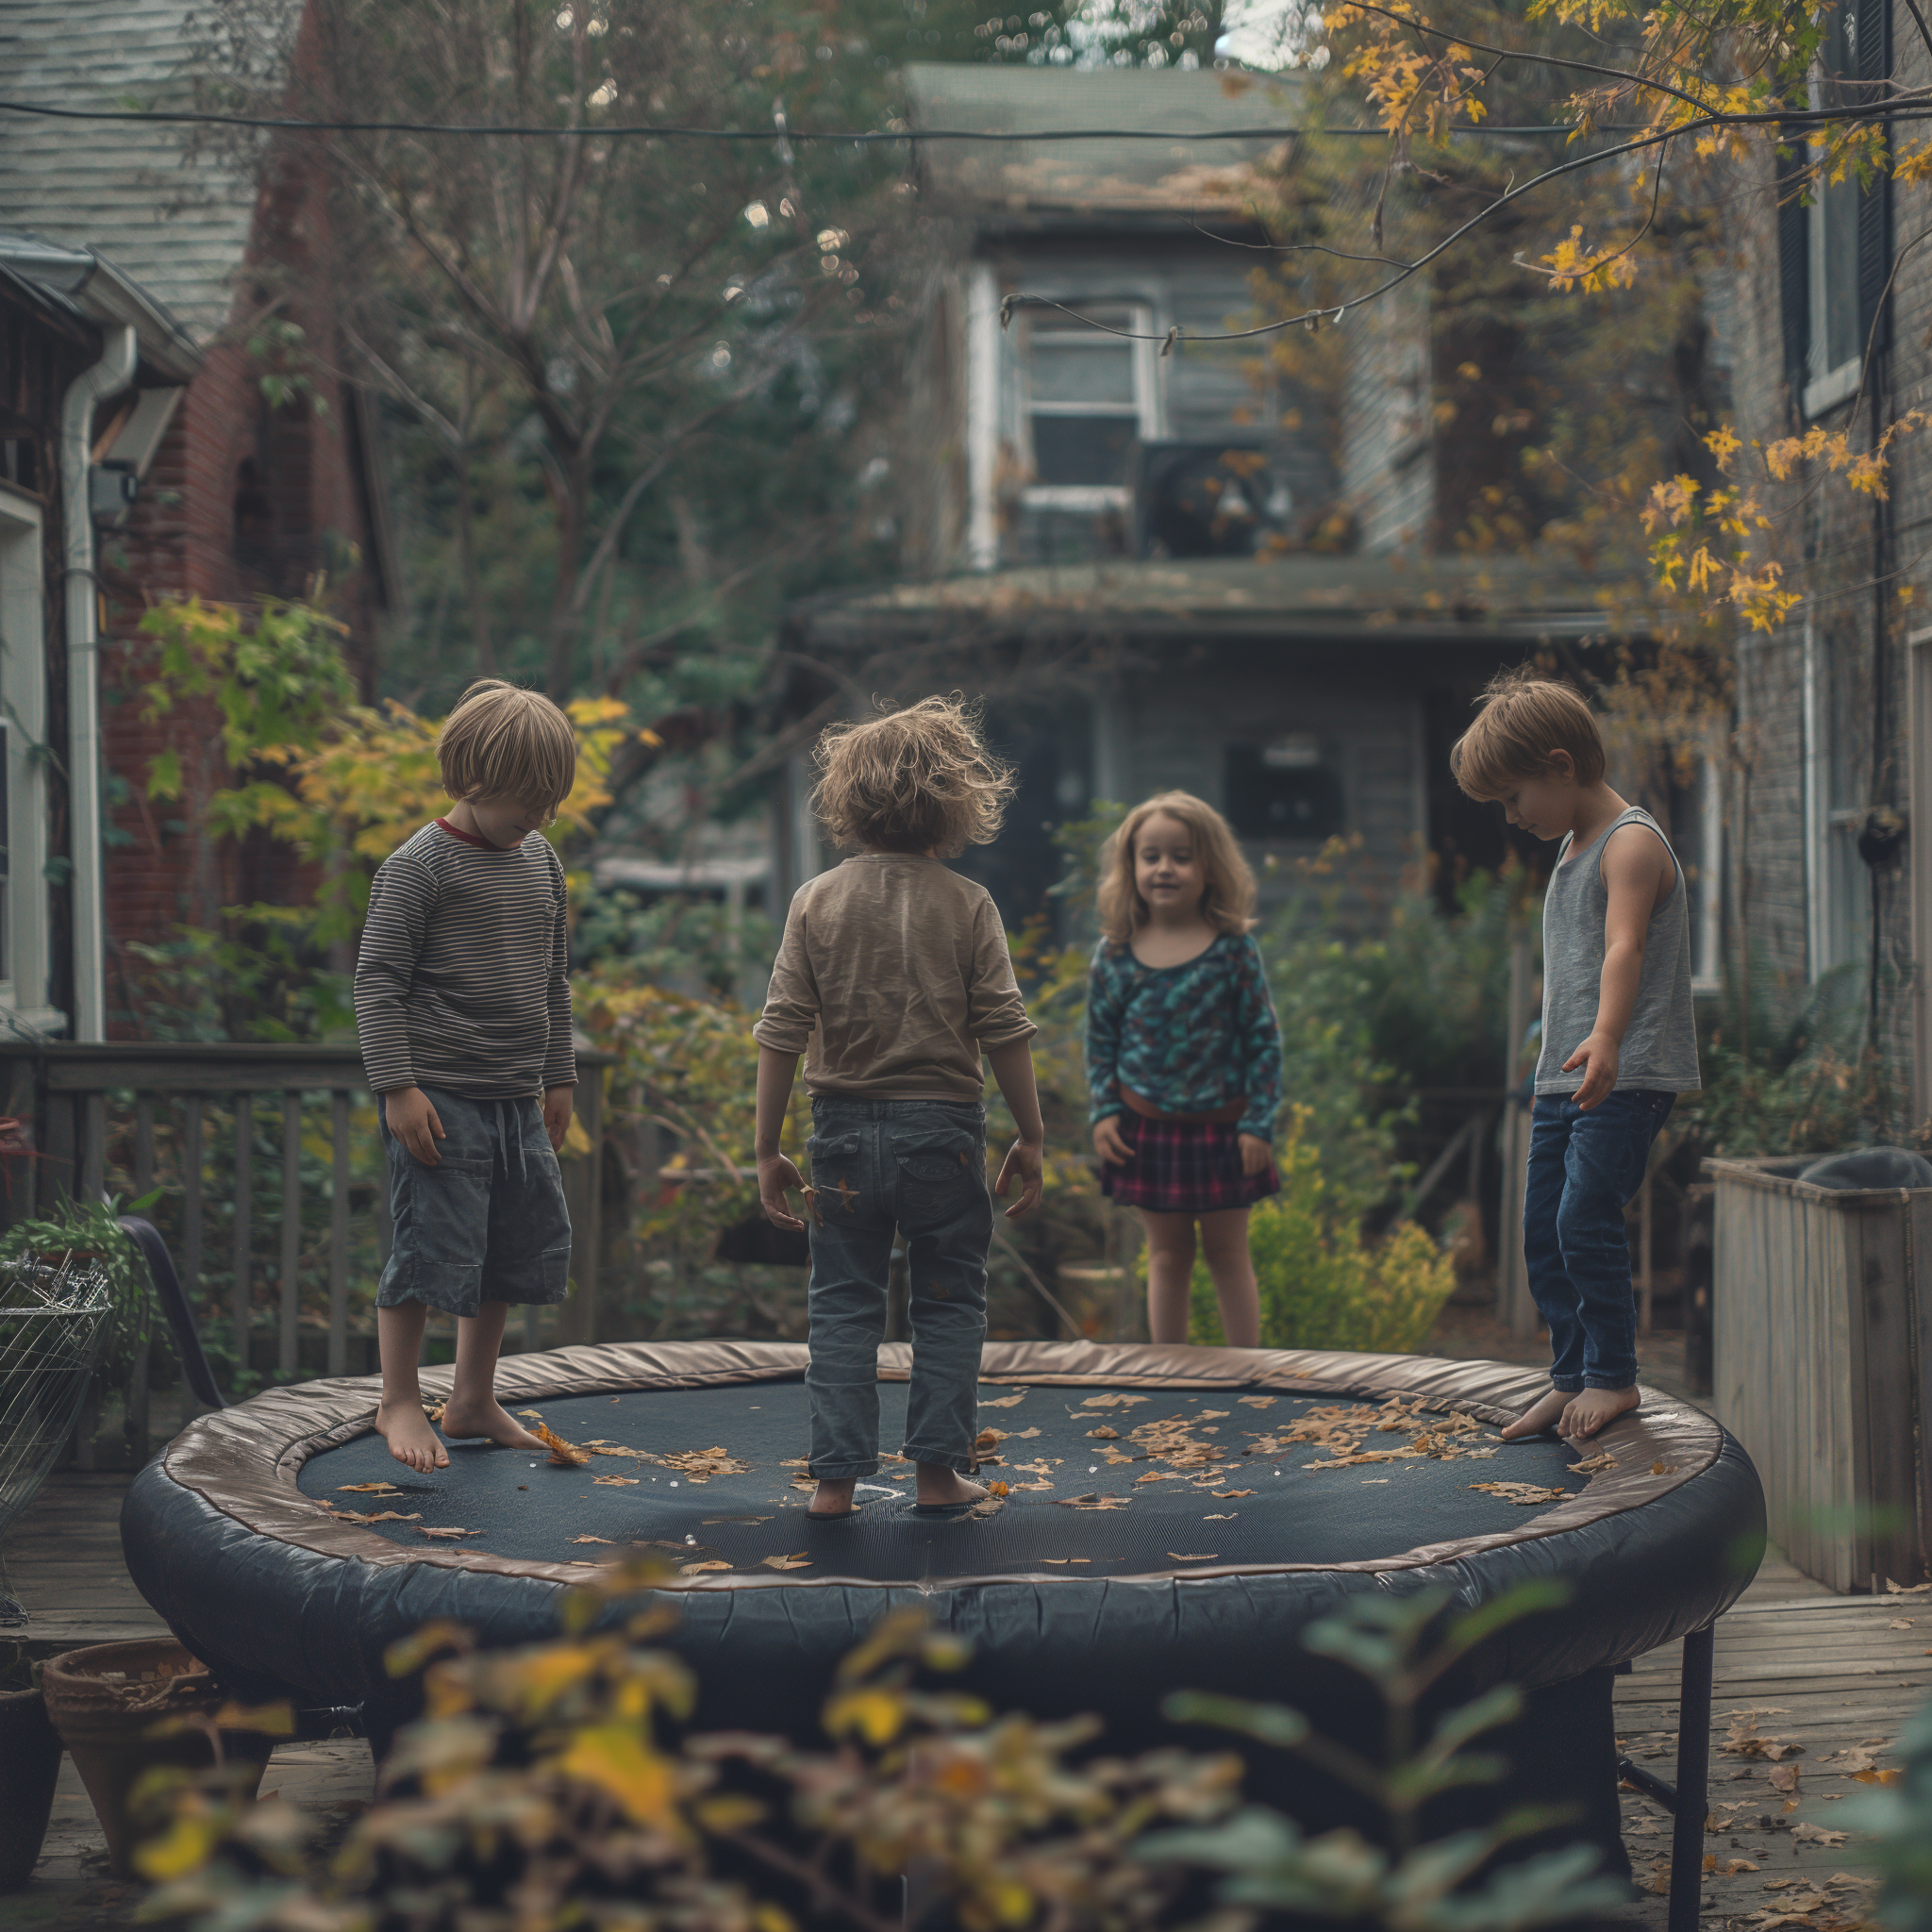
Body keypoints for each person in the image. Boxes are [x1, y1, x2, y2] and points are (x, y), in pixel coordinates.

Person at [753, 696, 1045, 1521]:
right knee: (949, 1300)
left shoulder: (816, 900)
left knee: (842, 1303)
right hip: (941, 1137)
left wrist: (766, 1147)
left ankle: (836, 1483)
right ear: (956, 801)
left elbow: (781, 1030)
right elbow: (1004, 1028)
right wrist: (1031, 1132)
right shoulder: (967, 903)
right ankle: (936, 1475)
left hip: (841, 1135)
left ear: (848, 800)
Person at [1452, 667, 1700, 1441]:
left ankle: (1614, 1377)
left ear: (1560, 766)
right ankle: (1571, 1375)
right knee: (1542, 1228)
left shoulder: (1629, 844)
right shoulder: (1571, 845)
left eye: (1513, 798)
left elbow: (1623, 948)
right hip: (1566, 1073)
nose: (1510, 817)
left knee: (1585, 1214)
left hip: (1624, 1070)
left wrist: (1607, 1038)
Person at [354, 680, 580, 1473]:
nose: (540, 817)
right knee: (429, 1252)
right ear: (474, 781)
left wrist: (559, 1076)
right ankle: (399, 1399)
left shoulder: (541, 863)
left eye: (551, 802)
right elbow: (377, 982)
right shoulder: (418, 869)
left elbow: (553, 978)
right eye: (528, 800)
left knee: (508, 1248)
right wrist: (397, 1087)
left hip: (518, 1096)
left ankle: (473, 1398)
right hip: (441, 1098)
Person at [1085, 791, 1282, 1348]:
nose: (1164, 868)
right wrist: (1104, 1111)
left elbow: (1263, 1041)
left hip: (1227, 1130)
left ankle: (1248, 1367)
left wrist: (1257, 1123)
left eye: (1181, 856)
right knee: (1167, 1256)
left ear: (1209, 867)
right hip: (1147, 1130)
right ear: (1132, 867)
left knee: (1227, 1253)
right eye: (1151, 856)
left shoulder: (1233, 950)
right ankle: (1166, 1370)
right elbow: (1101, 1040)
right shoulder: (1116, 953)